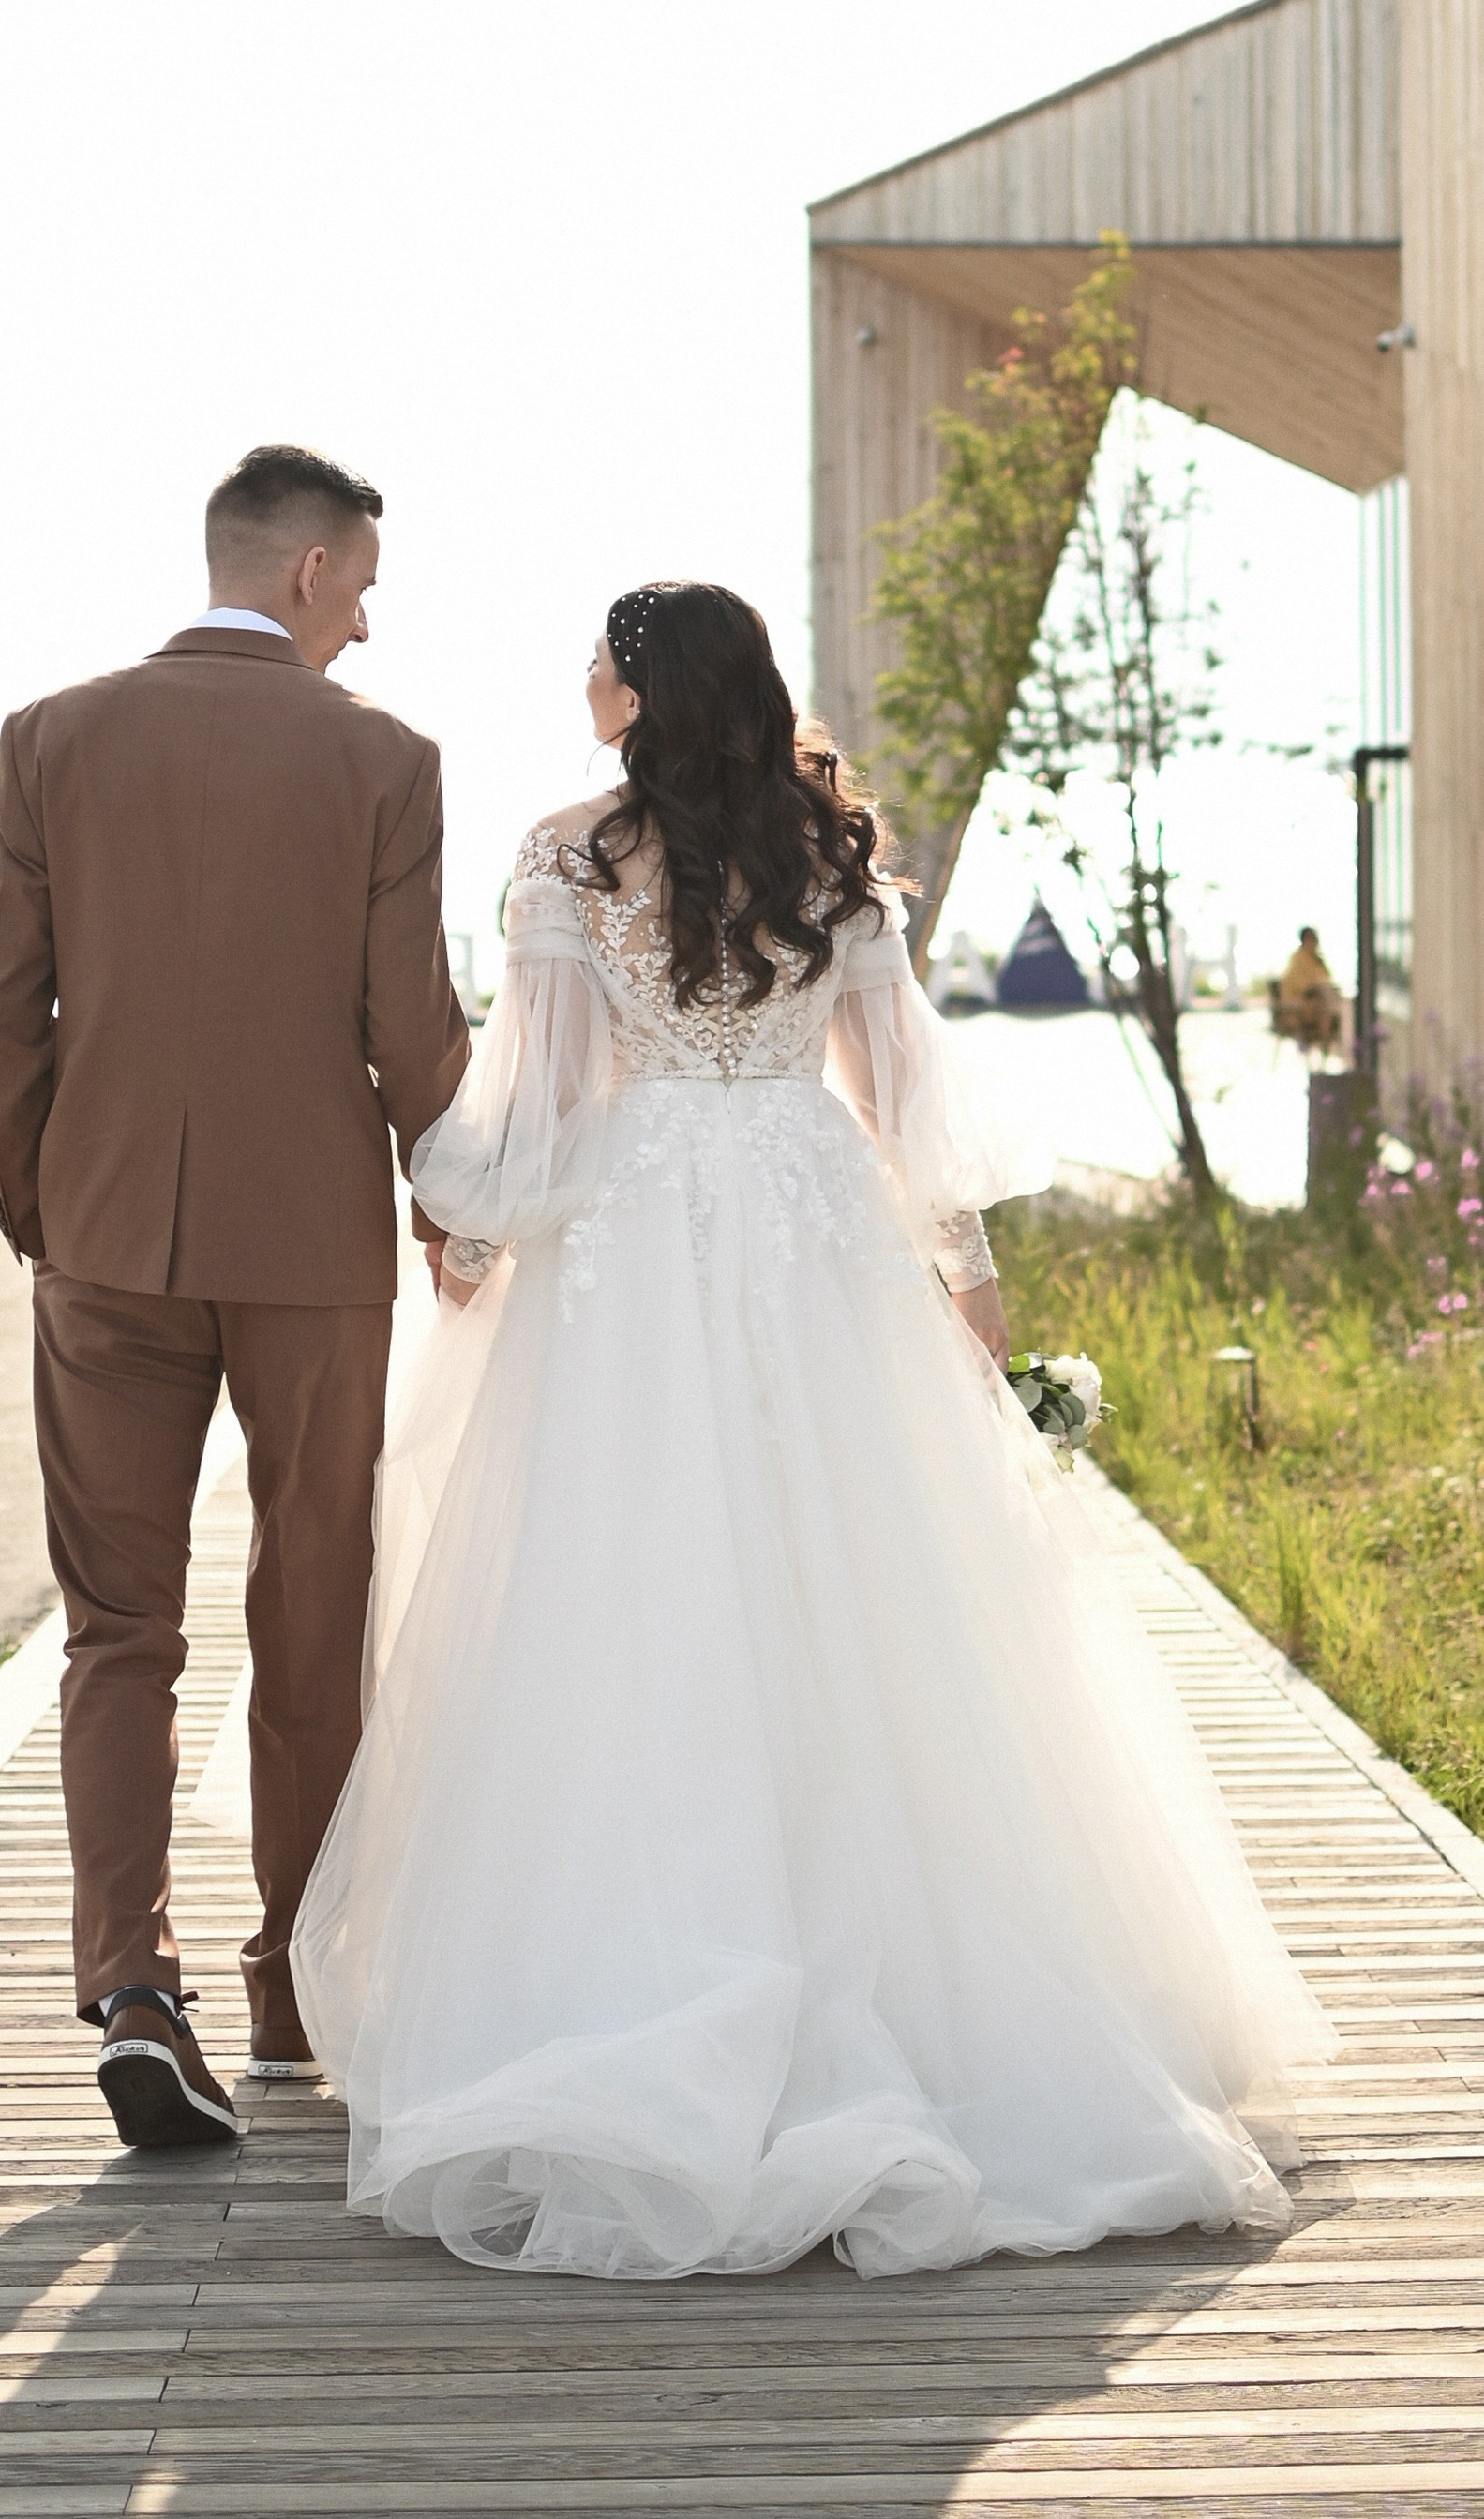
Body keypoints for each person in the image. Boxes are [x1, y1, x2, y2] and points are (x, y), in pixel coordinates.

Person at [292, 580, 1331, 2280]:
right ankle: (965, 2013)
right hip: (812, 1215)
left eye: (597, 661)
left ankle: (633, 1984)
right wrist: (969, 1277)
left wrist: (473, 1227)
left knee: (627, 1588)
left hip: (634, 1237)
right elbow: (904, 1088)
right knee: (871, 1584)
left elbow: (544, 1092)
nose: (581, 683)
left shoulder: (565, 855)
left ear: (639, 690)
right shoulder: (836, 854)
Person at [0, 445, 469, 2152]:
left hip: (103, 1242)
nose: (372, 626)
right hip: (312, 1253)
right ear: (314, 573)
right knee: (309, 1612)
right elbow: (414, 1035)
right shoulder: (384, 763)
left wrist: (52, 1209)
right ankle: (288, 1989)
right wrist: (452, 1202)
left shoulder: (52, 738)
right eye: (369, 588)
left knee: (119, 1629)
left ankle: (129, 1984)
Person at [1274, 923, 1347, 1057]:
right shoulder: (1297, 959)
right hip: (1301, 1005)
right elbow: (1298, 986)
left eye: (1315, 940)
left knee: (1328, 1004)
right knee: (1326, 1005)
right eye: (1311, 939)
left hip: (1320, 1004)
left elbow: (1327, 979)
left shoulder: (1317, 960)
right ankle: (1325, 1044)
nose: (1313, 943)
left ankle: (1327, 1045)